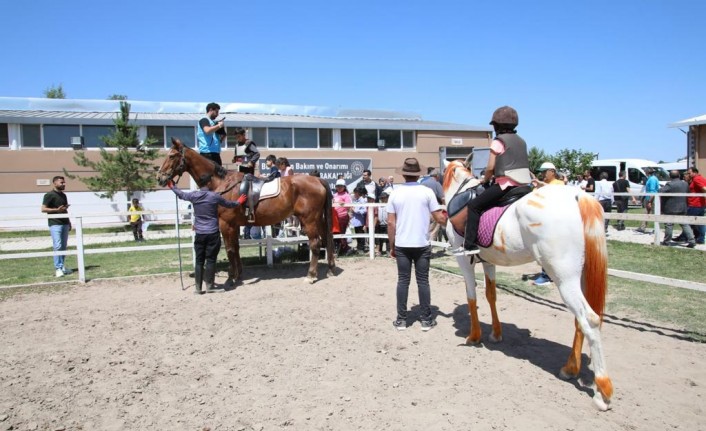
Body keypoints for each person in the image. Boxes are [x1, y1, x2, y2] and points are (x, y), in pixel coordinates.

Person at [454, 106, 532, 255]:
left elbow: (490, 167)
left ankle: (469, 245)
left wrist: (485, 179)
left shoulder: (498, 141)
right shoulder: (522, 141)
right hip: (525, 186)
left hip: (505, 185)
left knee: (474, 206)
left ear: (497, 125)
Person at [387, 157, 448, 331]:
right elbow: (438, 218)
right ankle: (426, 319)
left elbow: (391, 223)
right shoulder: (427, 192)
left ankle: (401, 319)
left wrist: (392, 245)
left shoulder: (395, 193)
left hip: (402, 244)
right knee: (423, 281)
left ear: (404, 174)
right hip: (421, 243)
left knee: (403, 281)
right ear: (417, 174)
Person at [167, 174, 247, 294]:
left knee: (199, 260)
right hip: (212, 233)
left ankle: (198, 288)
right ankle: (210, 286)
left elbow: (181, 195)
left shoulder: (193, 196)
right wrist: (239, 202)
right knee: (211, 259)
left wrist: (172, 186)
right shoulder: (214, 196)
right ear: (209, 184)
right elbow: (230, 205)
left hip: (199, 233)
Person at [41, 175, 72, 277]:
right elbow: (43, 209)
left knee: (63, 246)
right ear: (55, 183)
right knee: (57, 246)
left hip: (64, 223)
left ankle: (62, 266)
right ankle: (58, 268)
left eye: (64, 182)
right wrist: (56, 210)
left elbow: (65, 209)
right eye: (61, 183)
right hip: (55, 224)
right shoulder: (49, 195)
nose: (64, 184)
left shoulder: (64, 195)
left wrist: (69, 222)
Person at [659, 170, 695, 248]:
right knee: (685, 224)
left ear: (670, 176)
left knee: (669, 225)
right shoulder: (685, 184)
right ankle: (692, 240)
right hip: (683, 207)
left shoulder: (669, 184)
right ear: (679, 175)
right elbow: (688, 192)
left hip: (670, 208)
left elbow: (661, 191)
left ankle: (666, 241)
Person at [232, 127, 261, 222]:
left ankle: (251, 211)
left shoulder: (249, 143)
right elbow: (238, 157)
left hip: (248, 171)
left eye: (239, 136)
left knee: (248, 190)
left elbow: (257, 154)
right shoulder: (236, 145)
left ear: (244, 135)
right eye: (236, 137)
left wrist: (251, 162)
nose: (238, 138)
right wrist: (234, 159)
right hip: (239, 170)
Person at [684, 168, 706, 244]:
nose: (688, 175)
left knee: (686, 222)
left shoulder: (696, 179)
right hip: (701, 204)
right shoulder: (701, 178)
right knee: (700, 223)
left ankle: (687, 237)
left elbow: (704, 189)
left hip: (695, 204)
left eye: (689, 173)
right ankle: (701, 238)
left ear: (695, 172)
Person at [332, 179, 352, 255]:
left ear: (344, 187)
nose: (339, 188)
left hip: (343, 216)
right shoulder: (334, 195)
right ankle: (340, 249)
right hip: (335, 217)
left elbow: (349, 206)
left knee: (341, 233)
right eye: (337, 186)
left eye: (341, 186)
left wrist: (341, 204)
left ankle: (345, 248)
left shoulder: (346, 195)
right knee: (336, 233)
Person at [638, 168, 660, 233]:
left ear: (647, 172)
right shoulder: (650, 178)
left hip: (652, 198)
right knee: (645, 212)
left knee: (654, 213)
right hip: (648, 198)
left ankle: (656, 228)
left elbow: (652, 191)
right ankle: (642, 227)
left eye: (645, 172)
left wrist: (650, 201)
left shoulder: (652, 179)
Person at [350, 186, 368, 252]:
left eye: (355, 192)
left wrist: (355, 211)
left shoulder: (362, 200)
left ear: (358, 193)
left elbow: (364, 210)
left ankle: (361, 248)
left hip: (360, 221)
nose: (354, 194)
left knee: (361, 235)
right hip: (355, 221)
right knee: (357, 235)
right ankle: (359, 247)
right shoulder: (355, 200)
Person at [375, 189, 390, 255]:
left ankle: (388, 250)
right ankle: (380, 251)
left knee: (388, 238)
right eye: (382, 198)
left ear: (387, 198)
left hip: (387, 224)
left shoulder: (389, 205)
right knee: (379, 238)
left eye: (384, 198)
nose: (383, 199)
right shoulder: (378, 205)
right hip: (380, 224)